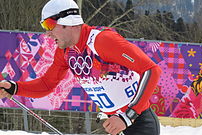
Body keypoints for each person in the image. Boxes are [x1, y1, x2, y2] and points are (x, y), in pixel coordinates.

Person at [0, 0, 161, 134]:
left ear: (68, 22)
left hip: (138, 122)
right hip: (113, 123)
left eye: (49, 25)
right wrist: (15, 88)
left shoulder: (102, 40)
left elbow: (152, 70)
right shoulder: (65, 51)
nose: (47, 34)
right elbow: (47, 84)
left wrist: (128, 117)